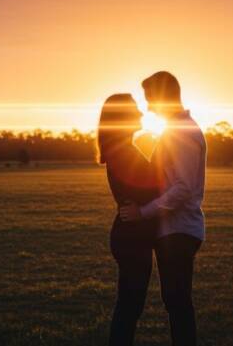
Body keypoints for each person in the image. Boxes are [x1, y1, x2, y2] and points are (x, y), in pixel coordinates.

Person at [120, 71, 207, 346]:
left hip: (180, 230)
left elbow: (182, 189)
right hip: (175, 230)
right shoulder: (175, 130)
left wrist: (142, 212)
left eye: (149, 100)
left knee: (178, 304)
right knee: (176, 303)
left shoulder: (181, 132)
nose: (147, 108)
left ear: (162, 98)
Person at [97, 93, 164, 346]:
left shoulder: (123, 149)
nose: (140, 114)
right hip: (131, 238)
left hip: (131, 236)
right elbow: (153, 188)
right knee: (129, 308)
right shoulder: (122, 152)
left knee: (129, 307)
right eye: (134, 110)